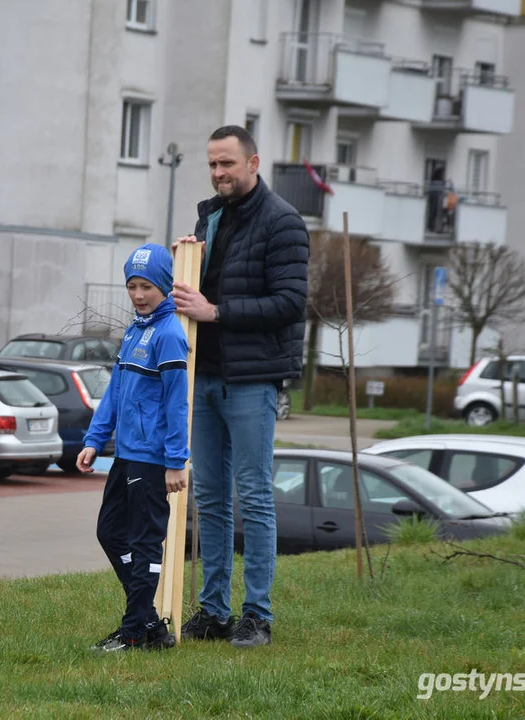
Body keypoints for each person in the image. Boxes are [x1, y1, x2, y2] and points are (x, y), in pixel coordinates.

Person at [169, 125, 308, 649]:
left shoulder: (284, 222)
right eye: (212, 164)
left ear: (253, 163)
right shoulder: (209, 216)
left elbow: (290, 303)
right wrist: (181, 267)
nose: (219, 173)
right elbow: (193, 291)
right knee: (208, 498)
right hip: (201, 376)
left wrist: (216, 312)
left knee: (253, 497)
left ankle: (257, 616)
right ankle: (213, 611)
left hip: (251, 381)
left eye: (227, 163)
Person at [77, 243, 190, 652]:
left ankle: (133, 634)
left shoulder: (170, 336)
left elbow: (178, 405)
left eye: (146, 287)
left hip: (153, 459)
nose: (139, 295)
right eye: (132, 286)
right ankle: (147, 623)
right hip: (124, 455)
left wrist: (176, 462)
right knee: (109, 532)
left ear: (163, 286)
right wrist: (94, 439)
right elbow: (115, 394)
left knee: (144, 545)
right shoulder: (134, 330)